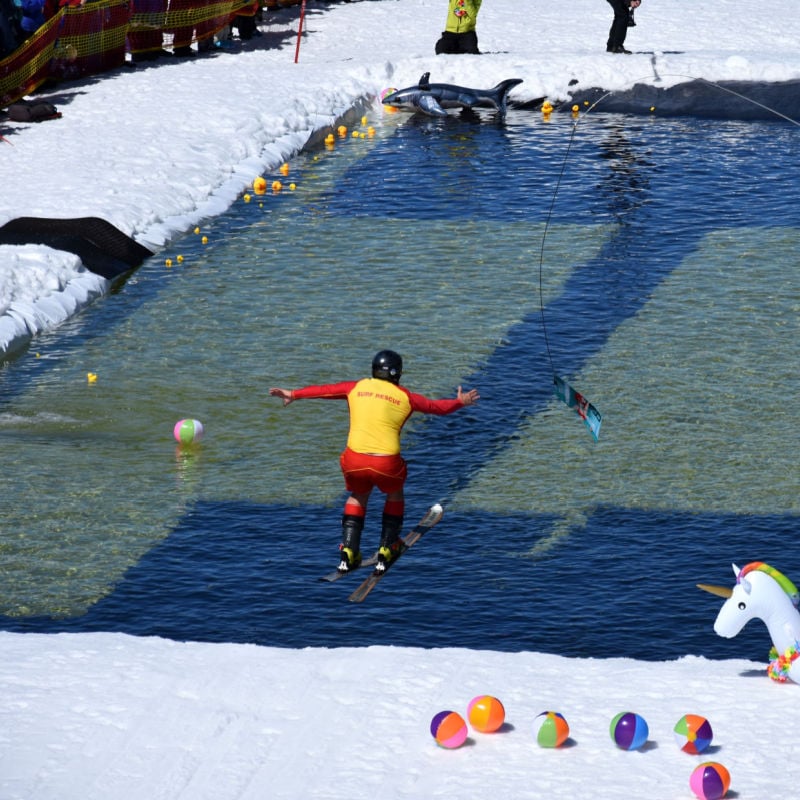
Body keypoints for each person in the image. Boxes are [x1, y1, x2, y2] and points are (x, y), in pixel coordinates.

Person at [270, 350, 479, 574]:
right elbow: (436, 407)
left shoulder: (356, 387)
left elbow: (326, 390)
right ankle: (388, 547)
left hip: (354, 460)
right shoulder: (406, 396)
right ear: (398, 373)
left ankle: (349, 552)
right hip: (386, 464)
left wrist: (293, 393)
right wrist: (460, 401)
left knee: (358, 496)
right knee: (395, 492)